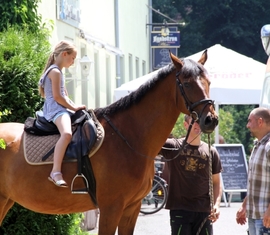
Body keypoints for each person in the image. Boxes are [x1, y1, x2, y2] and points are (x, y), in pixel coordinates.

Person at [159, 114, 222, 235]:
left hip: (204, 211)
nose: (198, 125)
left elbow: (216, 182)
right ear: (186, 125)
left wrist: (216, 205)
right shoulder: (173, 146)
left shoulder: (211, 151)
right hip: (180, 210)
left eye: (201, 121)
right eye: (195, 122)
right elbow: (150, 143)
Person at [38, 40, 86, 188]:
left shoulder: (56, 71)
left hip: (59, 107)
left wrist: (74, 107)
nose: (72, 62)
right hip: (56, 110)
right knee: (67, 134)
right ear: (64, 54)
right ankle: (55, 171)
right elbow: (58, 98)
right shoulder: (55, 72)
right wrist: (74, 107)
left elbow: (62, 96)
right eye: (72, 58)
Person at [236, 107, 270, 235]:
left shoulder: (268, 146)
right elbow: (255, 182)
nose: (247, 125)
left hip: (265, 218)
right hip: (254, 216)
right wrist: (245, 205)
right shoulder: (258, 145)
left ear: (260, 122)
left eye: (250, 121)